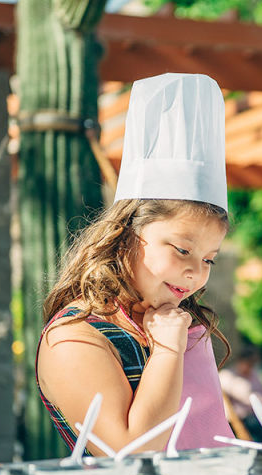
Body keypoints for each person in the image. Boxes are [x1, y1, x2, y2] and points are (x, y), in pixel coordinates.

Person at [36, 73, 235, 455]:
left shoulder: (177, 322)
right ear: (126, 235)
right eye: (181, 249)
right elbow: (131, 453)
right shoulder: (75, 337)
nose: (196, 271)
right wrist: (166, 351)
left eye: (209, 258)